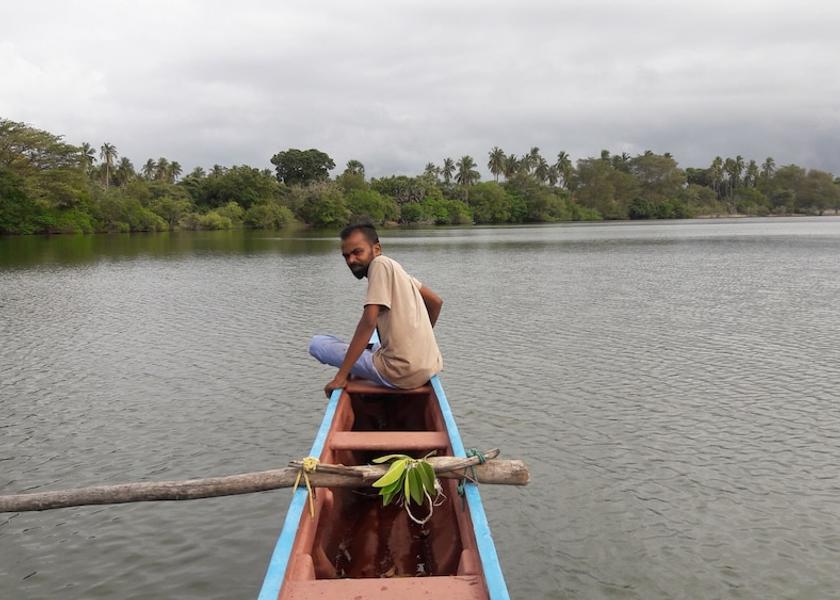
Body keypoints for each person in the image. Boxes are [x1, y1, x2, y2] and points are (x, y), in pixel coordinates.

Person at [309, 223, 443, 396]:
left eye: (357, 252)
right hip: (429, 366)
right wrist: (414, 343)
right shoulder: (396, 269)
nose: (351, 260)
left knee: (318, 344)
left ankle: (360, 360)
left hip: (399, 373)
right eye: (346, 256)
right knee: (372, 346)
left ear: (377, 249)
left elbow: (369, 321)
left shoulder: (378, 265)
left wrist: (341, 376)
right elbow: (436, 302)